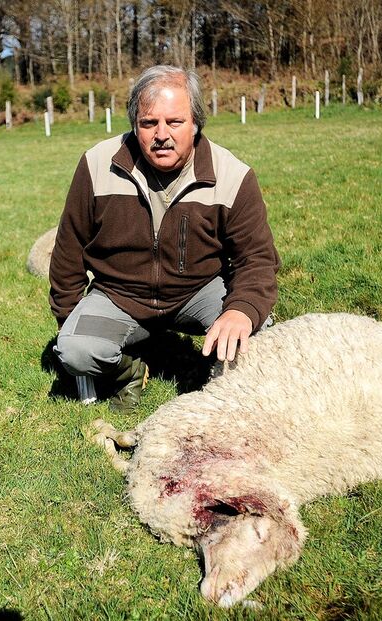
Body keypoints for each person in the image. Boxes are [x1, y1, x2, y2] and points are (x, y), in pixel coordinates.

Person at [49, 65, 280, 412]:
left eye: (174, 122)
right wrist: (70, 321)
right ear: (134, 124)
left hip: (199, 290)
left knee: (256, 340)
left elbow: (257, 259)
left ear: (196, 123)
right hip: (118, 294)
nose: (161, 134)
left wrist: (241, 310)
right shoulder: (97, 164)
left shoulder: (234, 175)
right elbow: (69, 248)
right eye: (148, 123)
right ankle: (129, 371)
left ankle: (215, 369)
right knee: (75, 350)